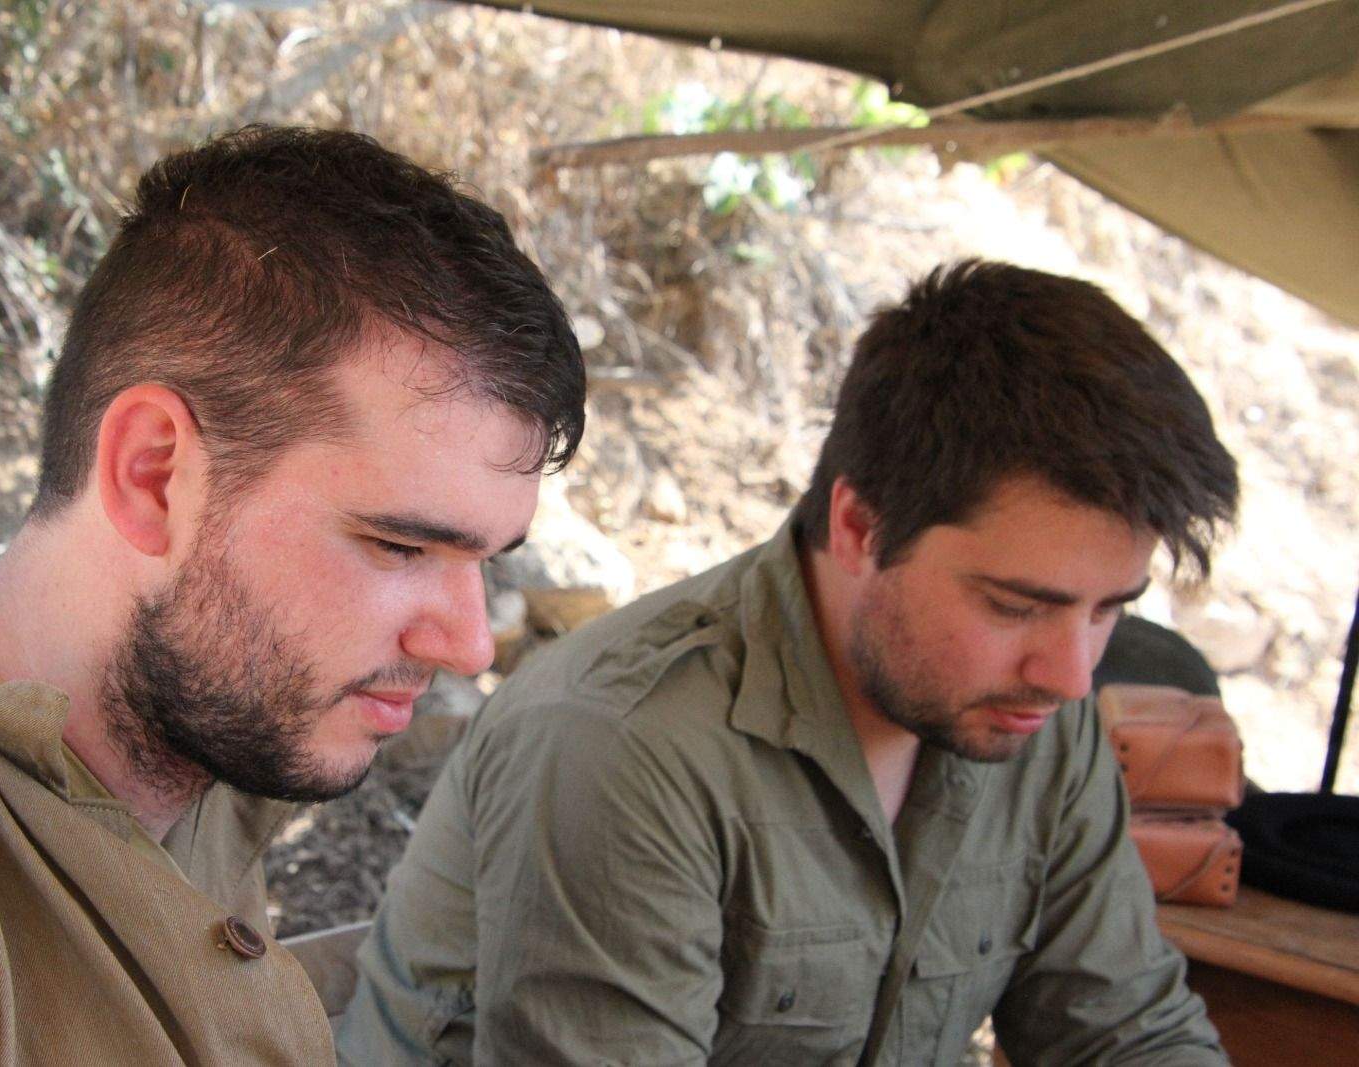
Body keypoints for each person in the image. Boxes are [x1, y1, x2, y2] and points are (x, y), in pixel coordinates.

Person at [0, 125, 585, 1065]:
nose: (470, 645)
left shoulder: (197, 718)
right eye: (399, 544)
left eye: (487, 559)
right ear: (153, 475)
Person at [339, 260, 1238, 1065]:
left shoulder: (1039, 712)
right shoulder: (622, 743)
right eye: (1015, 605)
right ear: (858, 527)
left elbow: (1126, 1031)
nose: (1073, 673)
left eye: (1110, 609)